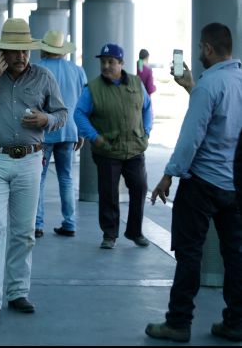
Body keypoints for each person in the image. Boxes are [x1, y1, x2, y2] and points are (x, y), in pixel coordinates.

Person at [0, 18, 67, 319]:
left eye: (25, 51)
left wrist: (47, 120)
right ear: (2, 50)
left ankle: (18, 291)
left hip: (31, 160)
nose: (21, 57)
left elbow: (62, 113)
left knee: (24, 231)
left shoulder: (44, 77)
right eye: (14, 51)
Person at [146, 22, 242, 342]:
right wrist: (190, 87)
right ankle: (236, 322)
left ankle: (178, 322)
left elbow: (191, 138)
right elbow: (221, 121)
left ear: (208, 48)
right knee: (236, 255)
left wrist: (168, 174)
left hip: (201, 184)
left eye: (201, 48)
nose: (200, 53)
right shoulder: (236, 80)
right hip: (234, 185)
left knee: (189, 254)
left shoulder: (209, 85)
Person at [74, 43, 153, 249]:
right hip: (108, 149)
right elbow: (79, 113)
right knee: (108, 193)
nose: (106, 66)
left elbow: (147, 108)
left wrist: (146, 131)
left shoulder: (136, 83)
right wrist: (93, 136)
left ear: (121, 63)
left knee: (140, 187)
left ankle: (135, 232)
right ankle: (109, 234)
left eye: (111, 62)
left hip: (135, 148)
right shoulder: (93, 88)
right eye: (103, 62)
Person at [34, 30, 87, 238]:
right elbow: (83, 104)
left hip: (44, 131)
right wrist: (81, 131)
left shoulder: (39, 69)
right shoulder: (77, 70)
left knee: (39, 177)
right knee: (66, 178)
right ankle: (69, 223)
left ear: (45, 49)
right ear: (63, 51)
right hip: (70, 130)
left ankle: (37, 224)